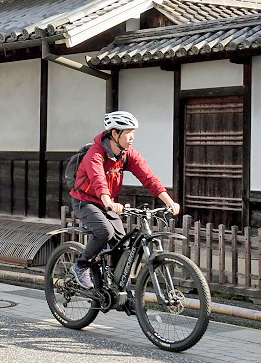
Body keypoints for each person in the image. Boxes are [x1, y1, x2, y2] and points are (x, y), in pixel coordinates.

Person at [69, 110, 180, 289]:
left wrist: (169, 202)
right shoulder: (95, 154)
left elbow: (148, 178)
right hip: (85, 201)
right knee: (105, 232)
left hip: (107, 203)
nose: (132, 137)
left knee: (123, 244)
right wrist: (108, 202)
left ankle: (117, 287)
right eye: (128, 132)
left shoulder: (127, 154)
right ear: (115, 133)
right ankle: (81, 265)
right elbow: (99, 181)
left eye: (133, 132)